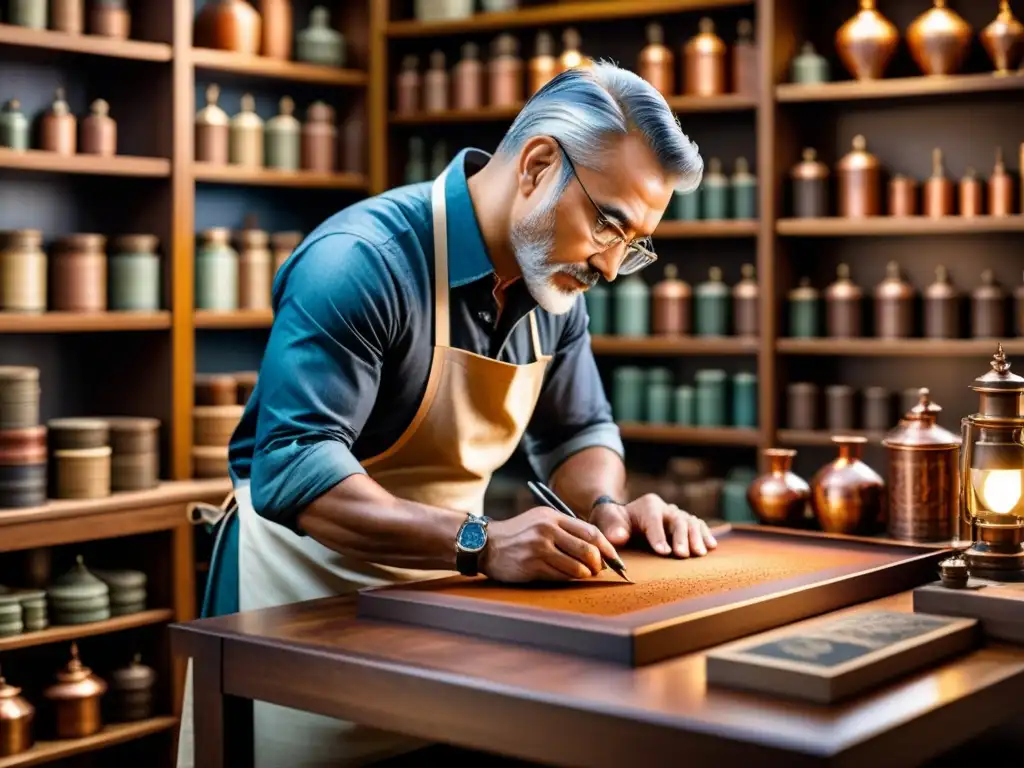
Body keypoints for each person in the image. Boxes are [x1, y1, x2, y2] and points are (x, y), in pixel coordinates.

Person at [176, 60, 712, 767]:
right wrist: (482, 544)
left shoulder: (554, 288)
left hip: (443, 632)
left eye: (632, 245)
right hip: (296, 626)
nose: (611, 268)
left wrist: (609, 510)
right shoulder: (362, 261)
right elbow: (293, 467)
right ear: (538, 165)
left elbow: (576, 431)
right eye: (609, 226)